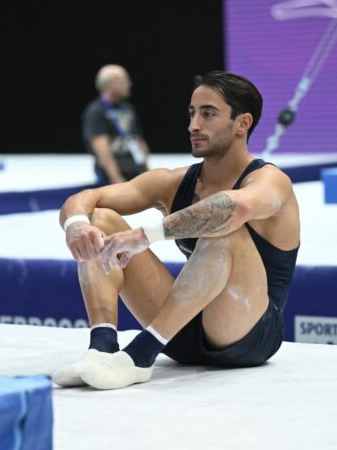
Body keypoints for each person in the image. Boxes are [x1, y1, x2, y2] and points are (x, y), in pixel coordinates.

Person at [55, 71, 300, 390]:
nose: (193, 125)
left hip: (248, 333)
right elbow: (87, 199)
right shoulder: (173, 182)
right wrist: (75, 224)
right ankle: (101, 347)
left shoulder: (270, 181)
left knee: (224, 226)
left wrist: (142, 236)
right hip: (181, 332)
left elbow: (234, 208)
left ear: (242, 123)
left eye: (208, 114)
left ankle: (141, 355)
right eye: (192, 113)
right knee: (99, 218)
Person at [82, 65, 150, 184]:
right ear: (109, 85)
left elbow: (138, 140)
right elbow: (103, 150)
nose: (129, 84)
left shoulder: (128, 109)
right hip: (110, 178)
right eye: (124, 80)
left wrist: (147, 173)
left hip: (134, 171)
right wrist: (116, 180)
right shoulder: (97, 111)